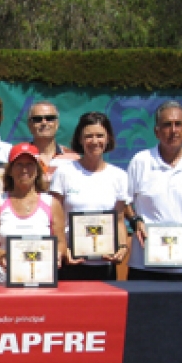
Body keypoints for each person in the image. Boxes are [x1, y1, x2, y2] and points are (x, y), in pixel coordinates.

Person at [125, 101, 182, 283]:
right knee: (143, 313)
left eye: (178, 124)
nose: (173, 130)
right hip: (143, 264)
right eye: (167, 125)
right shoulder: (140, 161)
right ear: (156, 132)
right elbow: (125, 203)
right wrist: (136, 221)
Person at [51, 112, 129, 281]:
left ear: (108, 138)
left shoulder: (119, 176)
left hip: (105, 265)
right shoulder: (64, 172)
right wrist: (63, 249)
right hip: (71, 263)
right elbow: (54, 218)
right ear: (80, 139)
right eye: (88, 136)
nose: (94, 141)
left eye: (100, 135)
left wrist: (122, 246)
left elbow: (119, 220)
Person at [0, 142, 65, 281]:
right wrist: (2, 255)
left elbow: (61, 242)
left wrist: (57, 254)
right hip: (2, 279)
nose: (24, 169)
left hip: (41, 278)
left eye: (30, 164)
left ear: (38, 170)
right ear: (10, 170)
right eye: (19, 164)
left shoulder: (51, 203)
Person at [28, 100, 80, 182]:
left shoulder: (73, 158)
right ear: (30, 125)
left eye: (50, 118)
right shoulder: (20, 156)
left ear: (57, 124)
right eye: (37, 119)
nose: (44, 122)